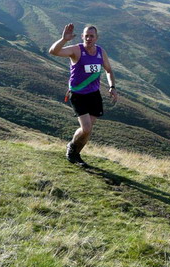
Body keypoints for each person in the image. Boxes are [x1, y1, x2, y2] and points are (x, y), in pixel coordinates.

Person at [49, 23, 118, 166]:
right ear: (82, 37)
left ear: (96, 38)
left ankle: (76, 155)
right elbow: (53, 51)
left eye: (91, 36)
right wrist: (64, 40)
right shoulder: (76, 50)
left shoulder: (100, 52)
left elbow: (109, 70)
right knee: (86, 128)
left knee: (88, 131)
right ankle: (71, 147)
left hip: (94, 94)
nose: (89, 38)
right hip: (78, 94)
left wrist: (112, 87)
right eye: (86, 36)